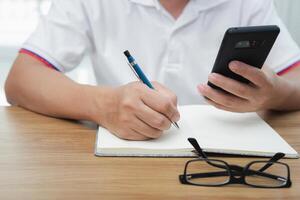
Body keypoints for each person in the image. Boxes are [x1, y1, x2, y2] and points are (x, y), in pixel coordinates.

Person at [5, 0, 300, 141]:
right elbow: (21, 78)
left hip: (225, 158)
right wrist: (103, 105)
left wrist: (274, 93)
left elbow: (296, 79)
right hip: (125, 157)